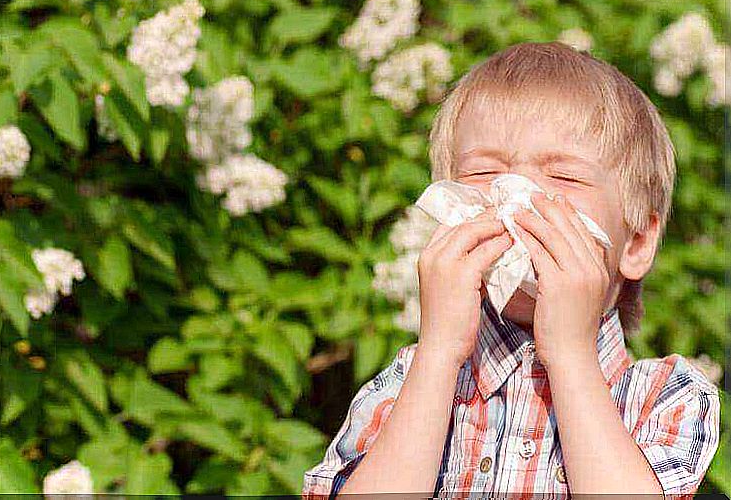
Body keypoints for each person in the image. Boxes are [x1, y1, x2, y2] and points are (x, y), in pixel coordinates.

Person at [301, 42, 720, 499]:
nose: (515, 194)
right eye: (483, 173)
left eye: (564, 177)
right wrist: (438, 351)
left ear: (637, 243)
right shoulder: (406, 383)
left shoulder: (664, 396)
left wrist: (569, 353)